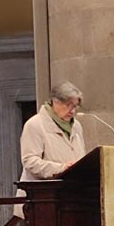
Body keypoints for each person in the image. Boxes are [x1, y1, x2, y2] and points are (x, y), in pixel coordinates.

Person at [14, 81, 86, 218]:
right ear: (55, 101)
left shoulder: (76, 126)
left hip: (71, 199)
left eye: (75, 106)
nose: (73, 111)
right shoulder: (35, 125)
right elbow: (30, 161)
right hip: (42, 200)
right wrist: (61, 168)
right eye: (69, 105)